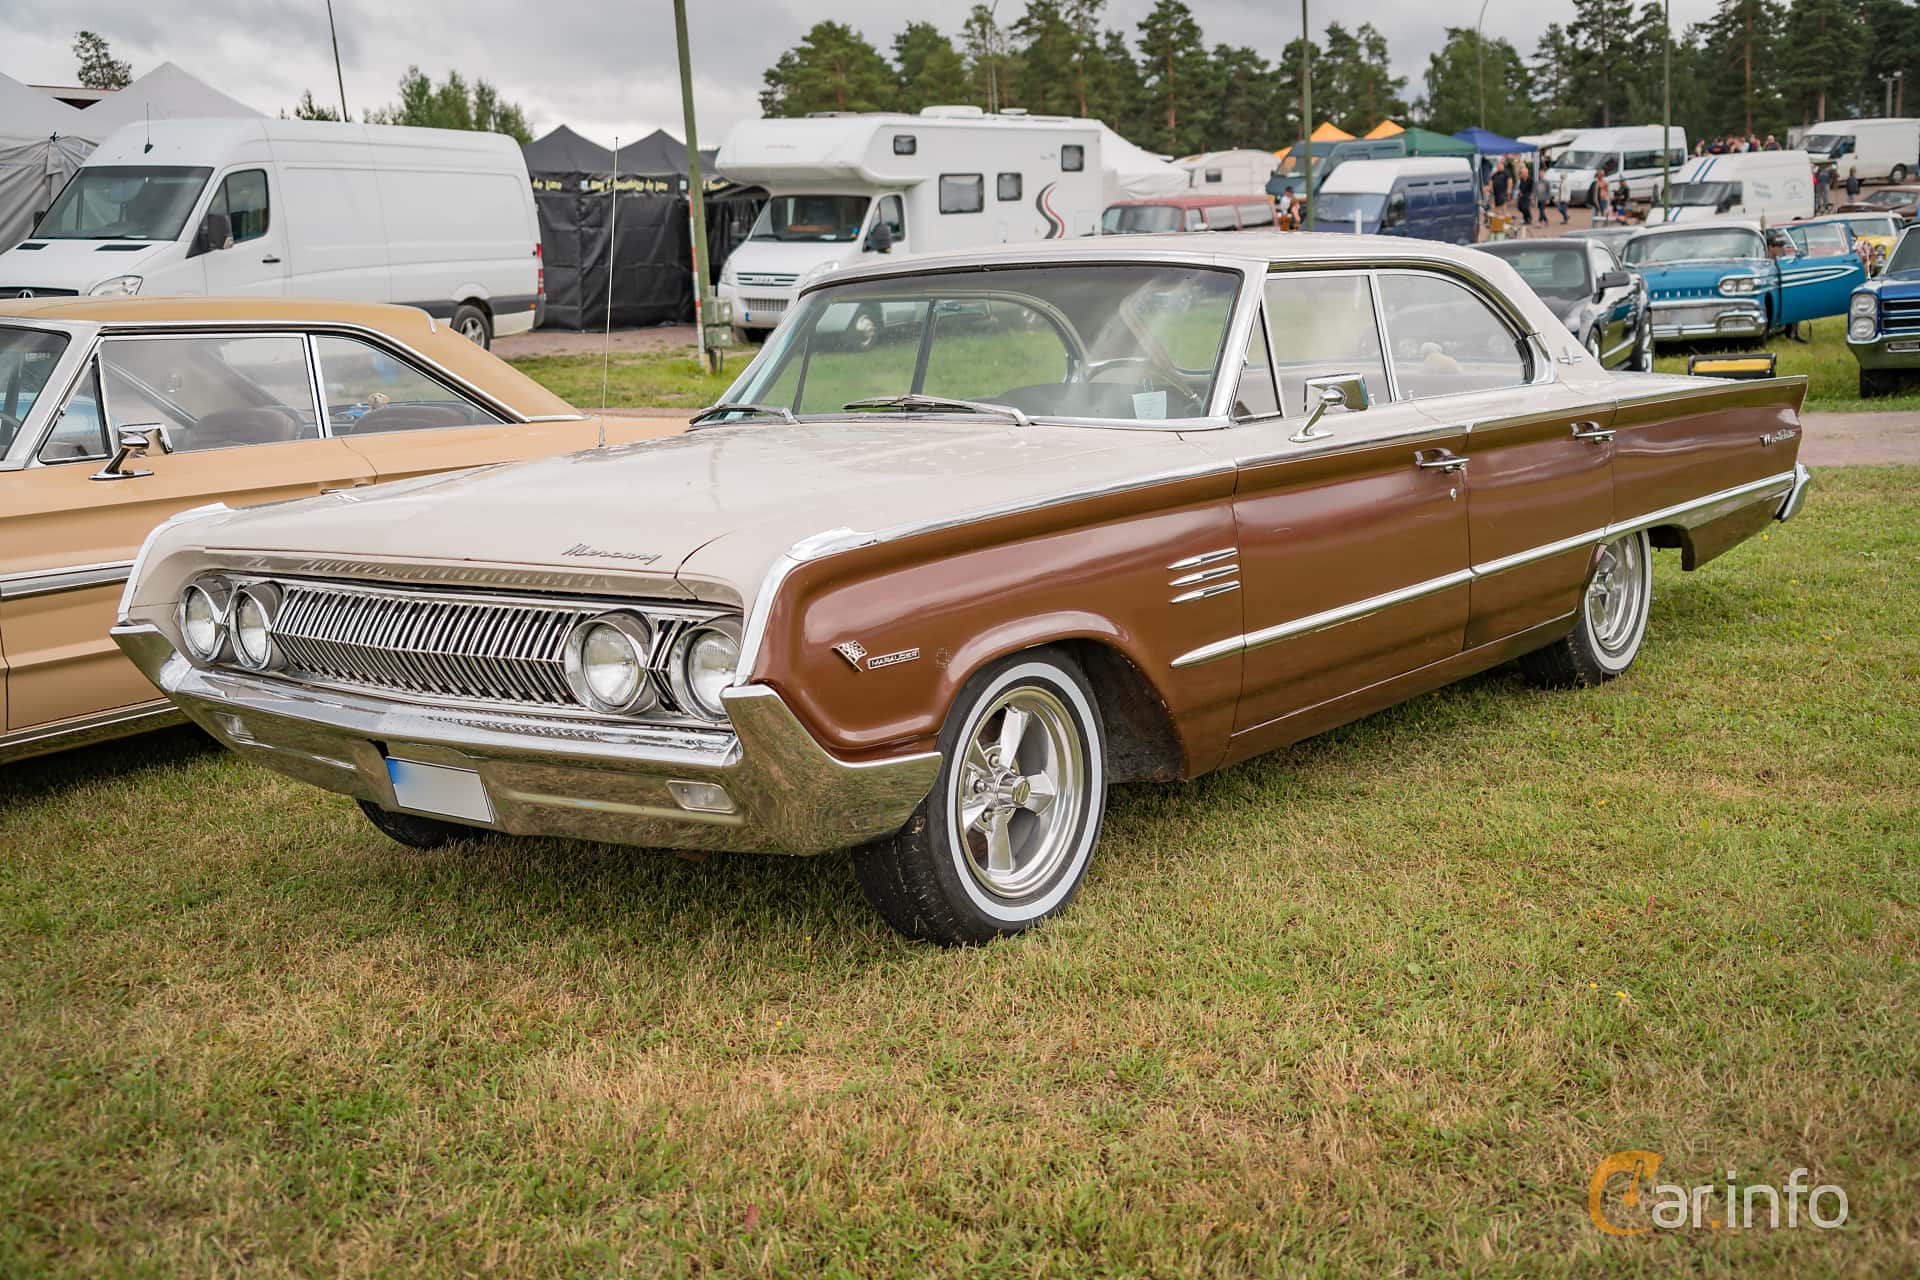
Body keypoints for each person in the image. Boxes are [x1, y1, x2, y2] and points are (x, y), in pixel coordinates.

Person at [1516, 159, 1534, 227]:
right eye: (1522, 173)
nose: (1523, 174)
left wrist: (1531, 195)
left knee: (1525, 207)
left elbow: (1533, 188)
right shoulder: (1521, 179)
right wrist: (1520, 192)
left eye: (1524, 173)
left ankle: (1527, 219)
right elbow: (1520, 186)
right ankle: (1527, 217)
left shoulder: (1530, 179)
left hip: (1528, 194)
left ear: (1527, 173)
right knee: (1520, 207)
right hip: (1522, 194)